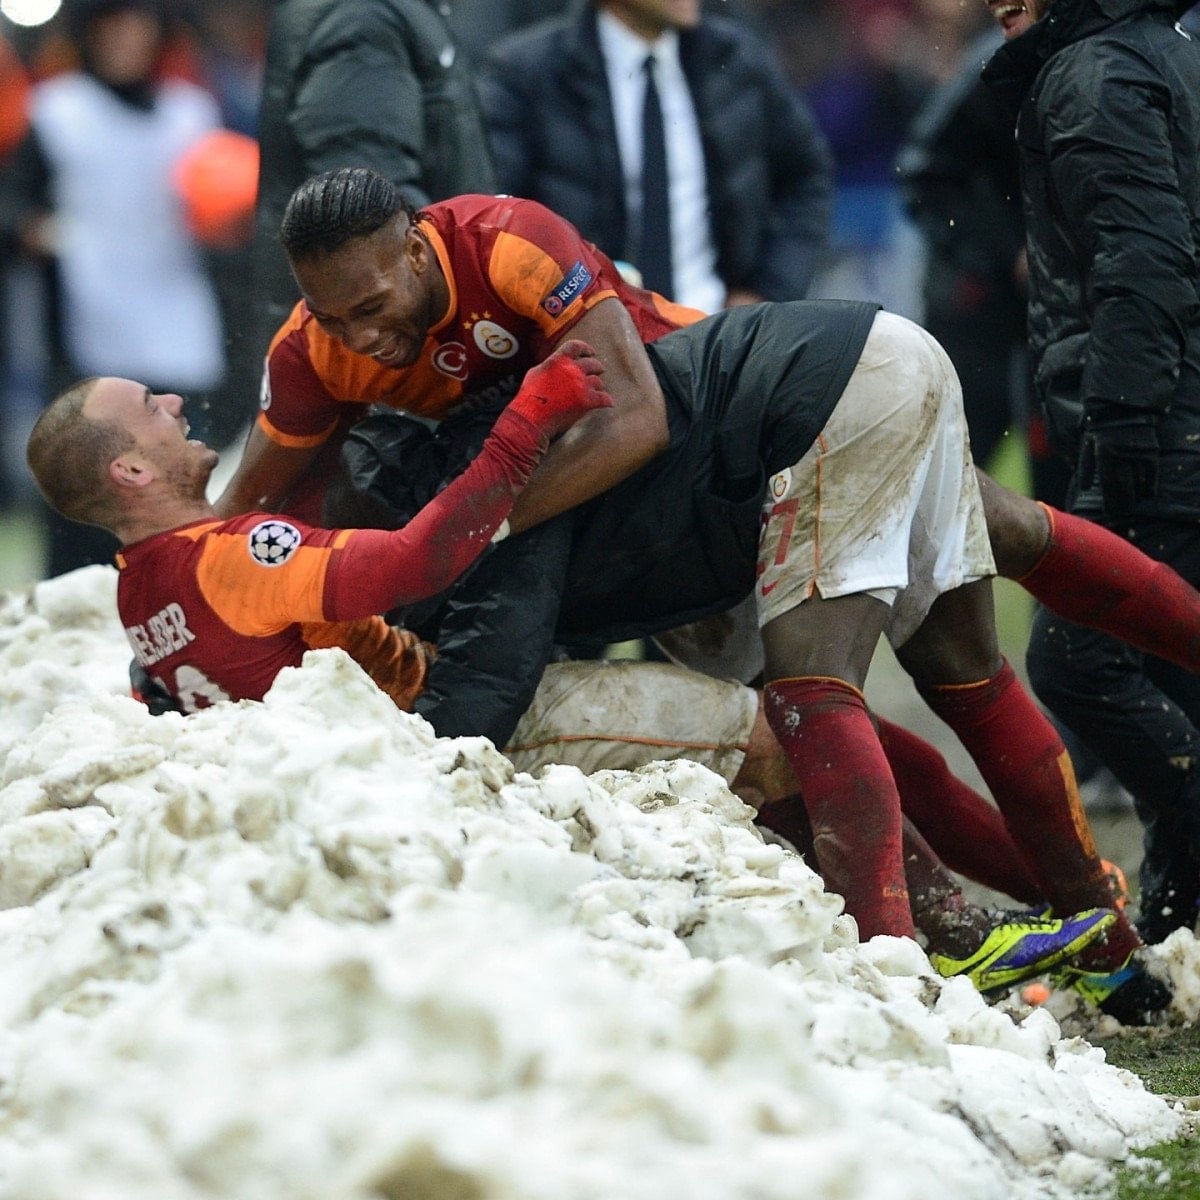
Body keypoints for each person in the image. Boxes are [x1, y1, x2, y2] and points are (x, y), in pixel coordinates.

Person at [221, 168, 1184, 1021]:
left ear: (417, 245)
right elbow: (237, 515)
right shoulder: (317, 353)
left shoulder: (507, 245)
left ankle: (920, 952)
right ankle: (1089, 932)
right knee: (939, 639)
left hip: (717, 452)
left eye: (372, 304)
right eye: (332, 317)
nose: (360, 336)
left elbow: (637, 418)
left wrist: (473, 530)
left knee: (815, 698)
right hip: (695, 493)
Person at [25, 366, 1116, 1000]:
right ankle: (944, 935)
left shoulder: (139, 593)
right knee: (775, 725)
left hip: (408, 747)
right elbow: (416, 561)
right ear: (131, 470)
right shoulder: (234, 554)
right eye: (149, 409)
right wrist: (528, 421)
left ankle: (927, 922)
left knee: (770, 753)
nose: (175, 400)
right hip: (461, 731)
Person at [982, 0, 1200, 945]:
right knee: (1172, 672)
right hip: (1173, 413)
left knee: (1076, 662)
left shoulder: (1091, 74)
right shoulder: (1162, 51)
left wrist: (1123, 421)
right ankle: (1179, 925)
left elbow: (1143, 260)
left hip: (1162, 424)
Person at [0, 0, 228, 578]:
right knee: (89, 505)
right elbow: (13, 203)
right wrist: (30, 229)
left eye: (136, 25)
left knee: (182, 493)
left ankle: (187, 596)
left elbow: (224, 207)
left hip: (177, 320)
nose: (125, 39)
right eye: (111, 26)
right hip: (88, 333)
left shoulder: (191, 113)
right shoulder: (56, 110)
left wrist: (228, 217)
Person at [474, 0, 833, 309]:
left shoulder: (737, 59)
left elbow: (807, 177)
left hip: (718, 340)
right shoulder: (526, 74)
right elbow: (492, 217)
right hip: (591, 347)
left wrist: (765, 294)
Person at [245, 0, 497, 417]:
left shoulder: (387, 12)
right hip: (387, 371)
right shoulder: (360, 16)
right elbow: (365, 223)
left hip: (390, 358)